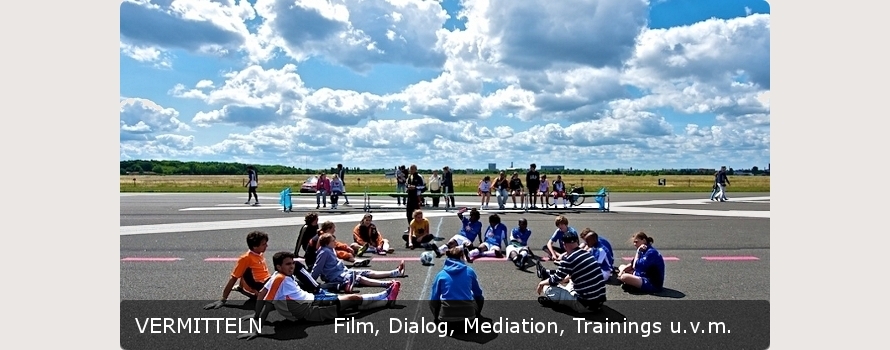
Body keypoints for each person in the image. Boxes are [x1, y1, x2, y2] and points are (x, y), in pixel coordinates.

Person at [238, 251, 400, 340]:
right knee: (353, 300)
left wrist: (255, 315)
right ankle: (386, 298)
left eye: (292, 263)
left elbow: (261, 296)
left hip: (311, 302)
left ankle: (386, 297)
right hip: (310, 308)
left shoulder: (276, 277)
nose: (292, 266)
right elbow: (267, 303)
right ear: (279, 266)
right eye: (288, 264)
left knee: (351, 306)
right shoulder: (279, 279)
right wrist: (257, 330)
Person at [535, 230, 607, 314]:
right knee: (572, 281)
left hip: (584, 305)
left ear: (564, 244)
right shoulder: (587, 254)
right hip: (599, 303)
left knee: (548, 288)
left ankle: (559, 301)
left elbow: (555, 279)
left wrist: (542, 283)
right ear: (577, 242)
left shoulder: (569, 259)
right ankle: (564, 296)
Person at [312, 233, 406, 293]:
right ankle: (387, 284)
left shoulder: (330, 249)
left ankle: (395, 272)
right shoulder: (324, 252)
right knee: (359, 278)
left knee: (366, 272)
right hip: (336, 276)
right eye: (333, 241)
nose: (335, 242)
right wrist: (311, 281)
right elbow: (317, 267)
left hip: (343, 271)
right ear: (327, 243)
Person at [203, 231, 271, 309]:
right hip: (260, 285)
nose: (267, 246)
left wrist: (240, 286)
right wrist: (223, 299)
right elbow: (234, 278)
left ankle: (241, 288)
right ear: (255, 246)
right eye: (264, 244)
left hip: (266, 281)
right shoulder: (246, 259)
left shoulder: (259, 253)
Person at [429, 247, 485, 322]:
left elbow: (433, 299)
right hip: (468, 322)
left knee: (435, 299)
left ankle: (438, 319)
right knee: (479, 297)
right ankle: (476, 318)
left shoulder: (441, 275)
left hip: (446, 323)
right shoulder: (469, 271)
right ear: (462, 257)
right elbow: (478, 293)